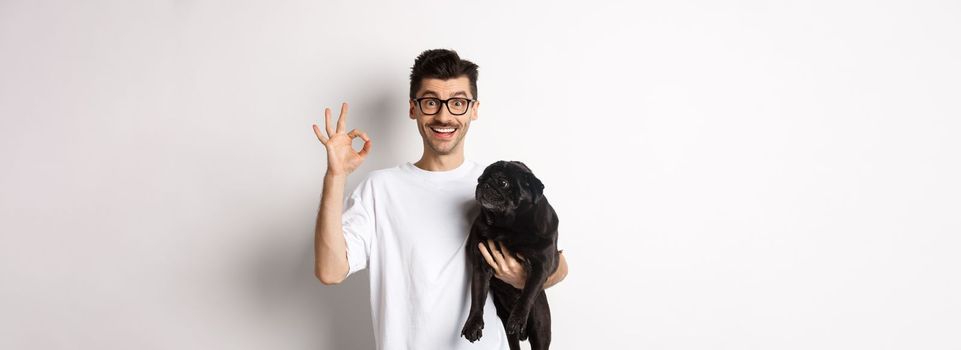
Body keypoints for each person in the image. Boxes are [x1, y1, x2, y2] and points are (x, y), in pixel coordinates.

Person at [311, 49, 569, 350]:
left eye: (457, 103)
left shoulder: (501, 189)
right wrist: (335, 176)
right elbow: (330, 271)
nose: (444, 116)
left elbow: (559, 265)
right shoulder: (380, 189)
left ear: (474, 109)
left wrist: (522, 277)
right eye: (431, 102)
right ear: (413, 108)